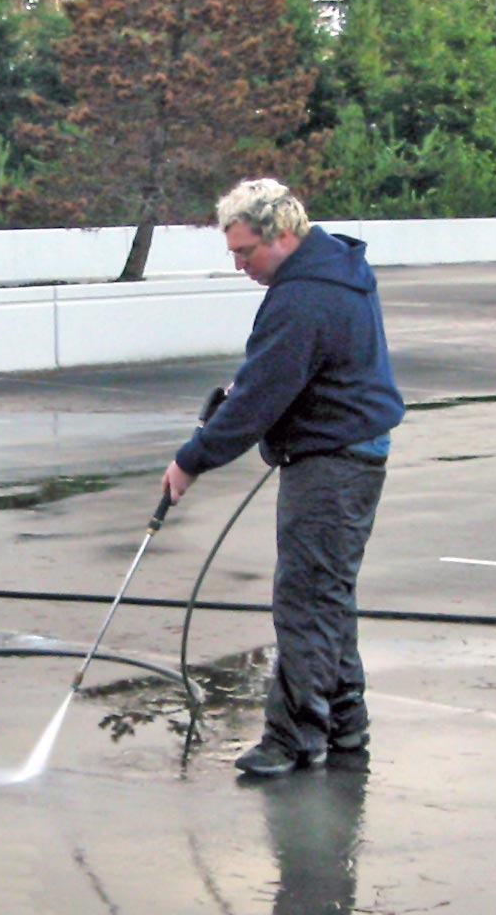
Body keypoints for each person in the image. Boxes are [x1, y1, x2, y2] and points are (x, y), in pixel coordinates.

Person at [162, 178, 405, 777]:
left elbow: (261, 399)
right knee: (327, 596)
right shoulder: (329, 272)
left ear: (284, 235)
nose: (242, 265)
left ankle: (294, 740)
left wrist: (190, 460)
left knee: (304, 600)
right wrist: (241, 399)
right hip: (344, 448)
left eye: (247, 252)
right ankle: (345, 726)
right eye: (235, 254)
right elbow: (277, 378)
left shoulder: (303, 298)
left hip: (333, 461)